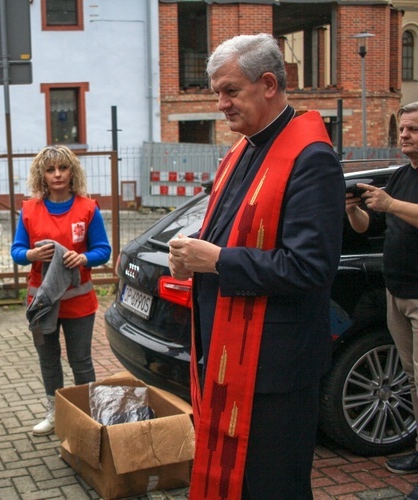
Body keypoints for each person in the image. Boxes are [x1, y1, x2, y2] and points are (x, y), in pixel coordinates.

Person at [167, 34, 344, 499]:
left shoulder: (312, 158)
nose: (219, 103)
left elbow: (310, 267)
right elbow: (227, 234)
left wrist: (217, 260)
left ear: (268, 83)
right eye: (217, 92)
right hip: (228, 352)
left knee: (273, 486)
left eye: (229, 90)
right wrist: (193, 257)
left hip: (275, 370)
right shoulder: (243, 150)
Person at [10, 145, 111, 436]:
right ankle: (54, 412)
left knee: (81, 361)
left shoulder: (88, 208)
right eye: (51, 169)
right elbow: (16, 250)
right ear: (42, 174)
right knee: (48, 360)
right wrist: (30, 256)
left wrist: (83, 258)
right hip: (41, 303)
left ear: (72, 172)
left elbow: (103, 250)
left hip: (78, 303)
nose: (57, 174)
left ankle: (89, 414)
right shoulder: (30, 209)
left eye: (63, 168)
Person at [345, 102, 418, 500]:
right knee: (411, 379)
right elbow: (371, 225)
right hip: (398, 292)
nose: (405, 135)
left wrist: (389, 203)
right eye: (403, 129)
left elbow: (397, 211)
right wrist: (354, 210)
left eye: (413, 130)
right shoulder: (403, 175)